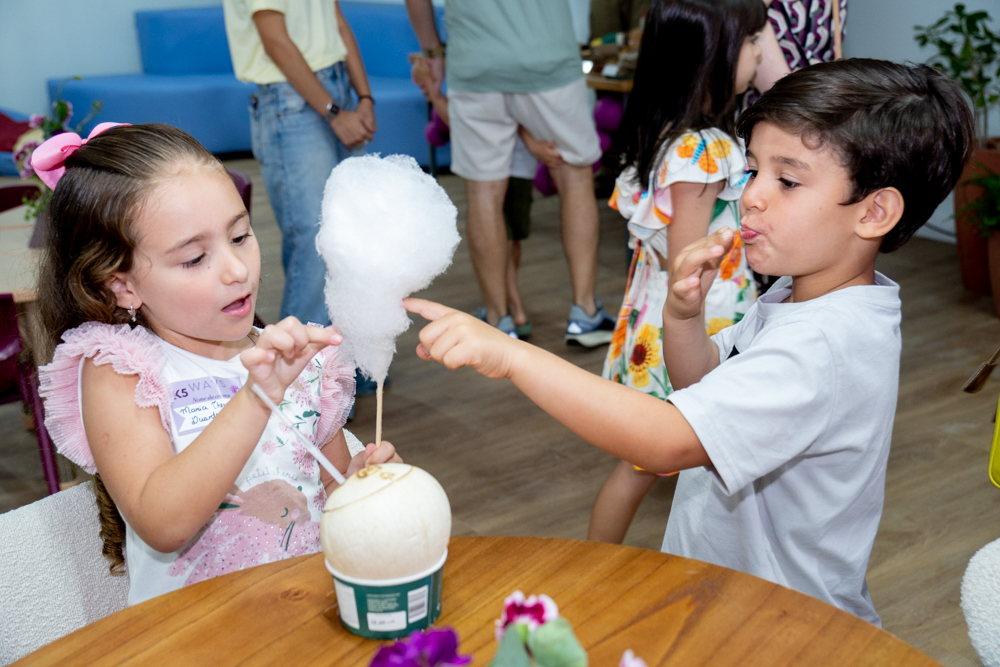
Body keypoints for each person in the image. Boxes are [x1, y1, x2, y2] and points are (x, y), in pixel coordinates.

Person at [404, 59, 974, 624]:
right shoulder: (802, 297)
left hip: (780, 626)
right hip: (731, 600)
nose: (751, 196)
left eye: (787, 180)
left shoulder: (822, 342)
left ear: (875, 212)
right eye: (753, 170)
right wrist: (683, 317)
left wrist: (511, 356)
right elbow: (703, 389)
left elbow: (667, 442)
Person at [33, 124, 400, 606]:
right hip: (193, 631)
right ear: (122, 286)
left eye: (240, 236)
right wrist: (257, 396)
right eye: (194, 258)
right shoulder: (122, 370)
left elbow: (329, 491)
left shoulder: (301, 362)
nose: (237, 270)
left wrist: (361, 484)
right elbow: (163, 523)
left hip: (307, 610)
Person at [587, 0, 764, 545]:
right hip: (693, 326)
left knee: (647, 464)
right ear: (712, 56)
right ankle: (591, 567)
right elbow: (690, 259)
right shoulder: (703, 150)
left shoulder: (667, 130)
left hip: (656, 317)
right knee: (642, 465)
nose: (761, 51)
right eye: (751, 40)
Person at [405, 0, 615, 346]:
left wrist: (432, 53)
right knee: (575, 178)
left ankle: (498, 319)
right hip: (547, 59)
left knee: (484, 193)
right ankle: (586, 313)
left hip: (475, 64)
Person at [221, 0, 375, 327]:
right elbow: (275, 40)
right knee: (315, 239)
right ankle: (302, 358)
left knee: (350, 233)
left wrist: (364, 97)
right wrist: (334, 113)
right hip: (291, 97)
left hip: (337, 85)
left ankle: (345, 354)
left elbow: (337, 20)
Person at [411, 56, 565, 337]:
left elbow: (501, 116)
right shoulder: (506, 65)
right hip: (519, 166)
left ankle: (508, 309)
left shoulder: (483, 70)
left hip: (500, 166)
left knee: (502, 239)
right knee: (508, 239)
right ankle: (510, 308)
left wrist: (433, 90)